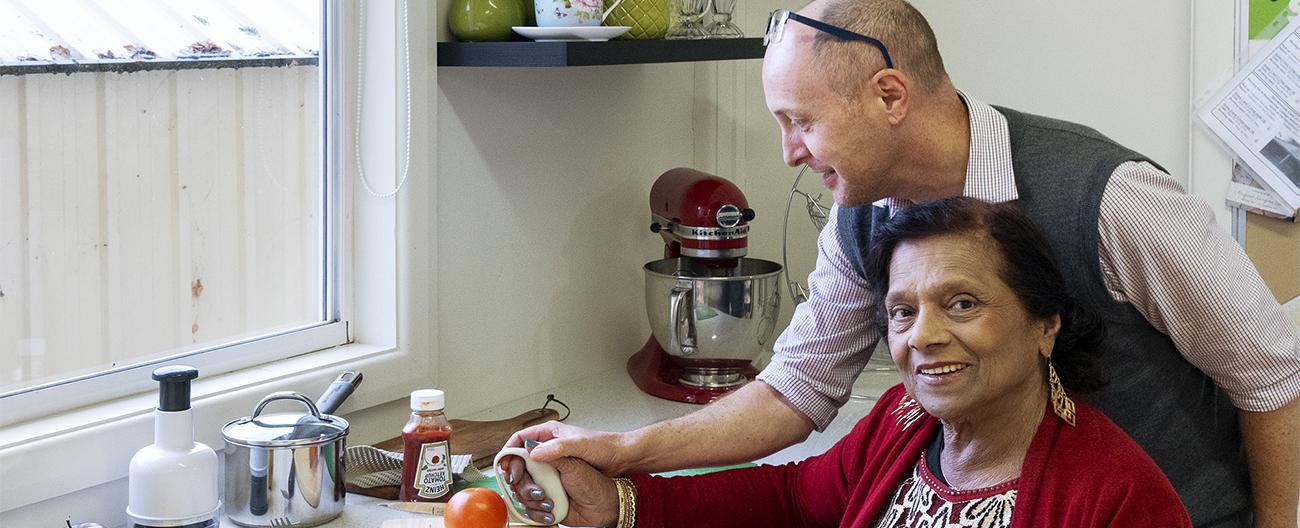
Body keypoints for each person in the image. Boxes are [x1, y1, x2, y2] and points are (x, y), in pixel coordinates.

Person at [507, 1, 1300, 526]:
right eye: (906, 311)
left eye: (801, 122)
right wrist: (623, 458)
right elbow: (796, 391)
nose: (789, 154)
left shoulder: (1112, 197)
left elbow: (1272, 380)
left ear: (889, 95)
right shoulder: (862, 221)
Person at [503, 198, 1193, 527]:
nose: (922, 337)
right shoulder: (900, 420)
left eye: (961, 304)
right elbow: (791, 500)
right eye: (902, 311)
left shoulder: (1117, 496)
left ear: (1045, 326)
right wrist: (619, 503)